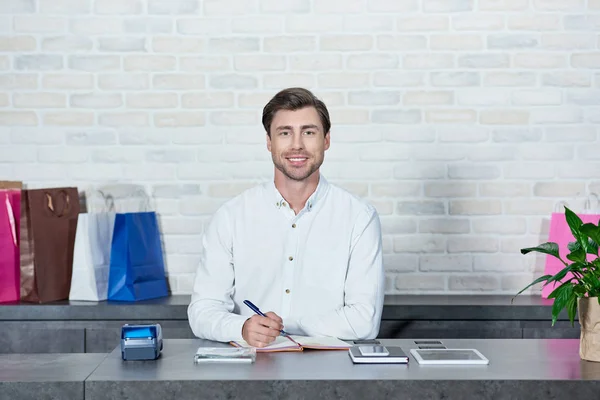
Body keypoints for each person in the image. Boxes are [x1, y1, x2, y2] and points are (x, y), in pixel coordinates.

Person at [187, 87, 384, 347]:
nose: (297, 144)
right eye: (284, 133)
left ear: (326, 140)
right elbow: (202, 311)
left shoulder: (359, 218)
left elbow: (364, 321)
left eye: (309, 132)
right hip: (251, 369)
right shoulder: (231, 217)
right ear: (269, 142)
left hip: (333, 373)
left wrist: (285, 326)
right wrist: (243, 327)